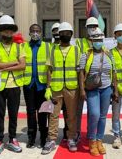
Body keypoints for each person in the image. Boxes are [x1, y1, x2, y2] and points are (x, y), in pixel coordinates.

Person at [0, 15, 26, 156]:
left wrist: (4, 68)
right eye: (5, 30)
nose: (8, 33)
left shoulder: (19, 47)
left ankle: (12, 138)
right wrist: (14, 63)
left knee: (13, 114)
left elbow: (23, 66)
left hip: (14, 85)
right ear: (1, 31)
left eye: (10, 31)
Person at [42, 22, 80, 154]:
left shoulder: (76, 50)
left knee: (71, 116)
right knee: (53, 115)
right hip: (56, 88)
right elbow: (49, 70)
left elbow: (80, 70)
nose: (65, 35)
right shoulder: (53, 50)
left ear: (71, 34)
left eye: (67, 33)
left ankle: (71, 138)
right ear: (59, 34)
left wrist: (81, 88)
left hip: (72, 88)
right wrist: (48, 87)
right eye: (63, 33)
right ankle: (51, 139)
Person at [79, 28, 118, 156]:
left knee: (102, 115)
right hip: (92, 89)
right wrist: (82, 89)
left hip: (106, 88)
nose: (98, 42)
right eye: (95, 40)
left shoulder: (109, 54)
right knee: (94, 114)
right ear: (91, 41)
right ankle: (92, 139)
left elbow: (114, 72)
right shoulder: (86, 54)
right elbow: (81, 72)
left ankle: (99, 140)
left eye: (100, 40)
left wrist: (115, 90)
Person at [22, 24, 51, 149]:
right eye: (33, 31)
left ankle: (43, 138)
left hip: (42, 85)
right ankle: (31, 138)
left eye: (37, 31)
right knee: (30, 112)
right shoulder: (23, 46)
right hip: (28, 84)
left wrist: (49, 86)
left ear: (41, 33)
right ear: (29, 33)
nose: (35, 33)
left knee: (42, 112)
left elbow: (50, 68)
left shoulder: (47, 46)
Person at [75, 17, 99, 141]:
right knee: (78, 110)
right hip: (82, 81)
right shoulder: (79, 43)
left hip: (95, 82)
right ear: (86, 29)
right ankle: (77, 133)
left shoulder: (100, 42)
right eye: (90, 27)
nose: (92, 29)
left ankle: (91, 134)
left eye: (95, 26)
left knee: (93, 111)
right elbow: (78, 64)